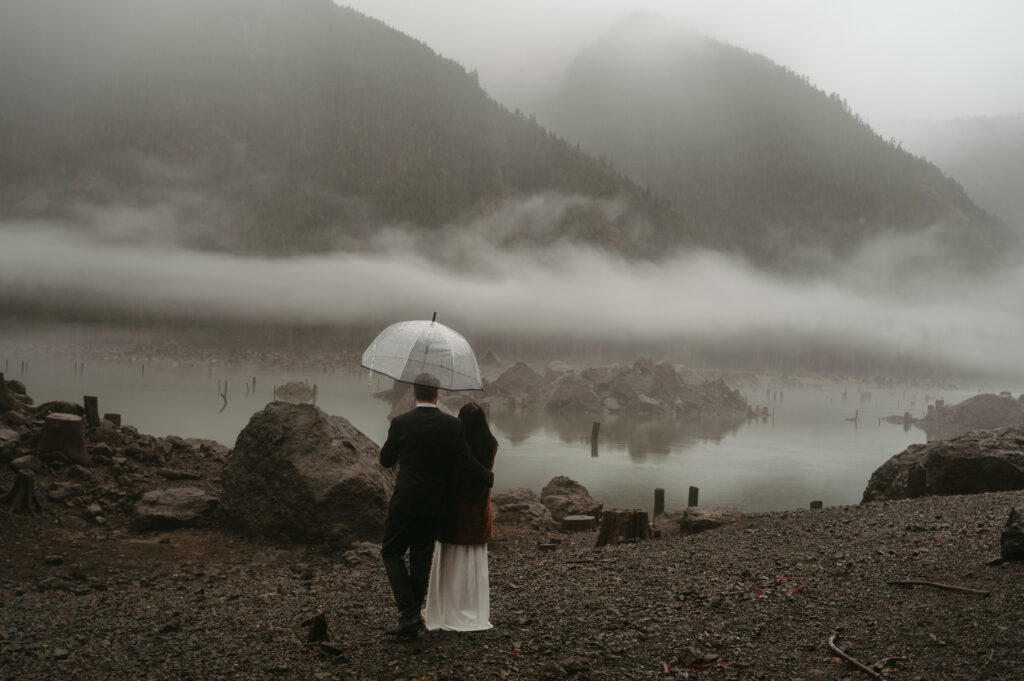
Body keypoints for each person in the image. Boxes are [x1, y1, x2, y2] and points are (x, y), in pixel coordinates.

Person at [379, 373, 494, 638]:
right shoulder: (452, 426)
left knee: (391, 551)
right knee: (421, 557)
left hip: (406, 500)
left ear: (414, 393)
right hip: (435, 504)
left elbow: (386, 460)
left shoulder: (400, 423)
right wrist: (487, 478)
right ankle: (412, 617)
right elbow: (465, 461)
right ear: (437, 394)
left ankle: (409, 613)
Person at [424, 401, 498, 631]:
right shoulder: (490, 444)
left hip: (454, 513)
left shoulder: (455, 445)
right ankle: (474, 611)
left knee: (451, 565)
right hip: (478, 513)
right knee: (472, 566)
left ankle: (446, 610)